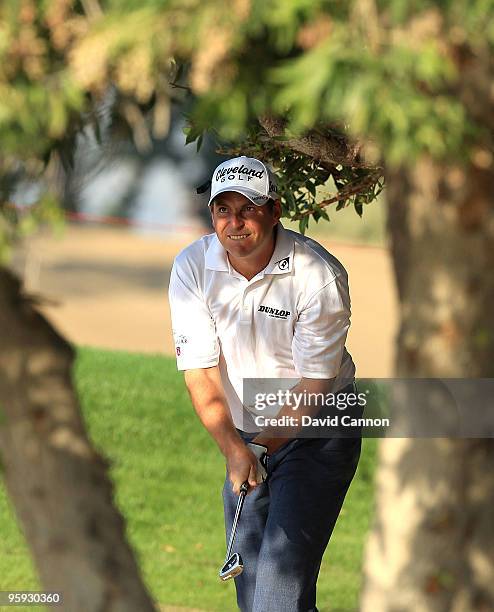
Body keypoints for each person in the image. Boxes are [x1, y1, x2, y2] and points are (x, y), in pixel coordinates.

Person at [168, 156, 362, 612]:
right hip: (247, 433)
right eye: (222, 210)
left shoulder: (317, 275)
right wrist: (236, 449)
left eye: (248, 209)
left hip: (321, 428)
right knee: (252, 594)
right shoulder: (192, 266)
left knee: (277, 597)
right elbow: (199, 370)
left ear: (274, 210)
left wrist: (253, 450)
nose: (234, 223)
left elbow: (316, 384)